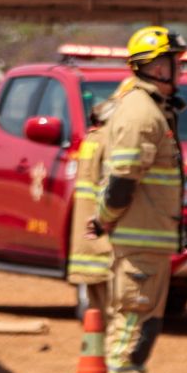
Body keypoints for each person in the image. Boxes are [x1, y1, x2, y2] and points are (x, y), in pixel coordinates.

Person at [93, 24, 186, 373]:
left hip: (150, 236)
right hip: (139, 237)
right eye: (170, 61)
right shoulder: (140, 111)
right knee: (132, 319)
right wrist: (107, 217)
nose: (176, 69)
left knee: (144, 320)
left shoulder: (151, 107)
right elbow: (123, 179)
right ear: (152, 66)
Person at [66, 93, 122, 320]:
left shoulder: (91, 139)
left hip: (86, 238)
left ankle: (96, 351)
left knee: (95, 311)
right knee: (113, 310)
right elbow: (115, 184)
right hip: (102, 233)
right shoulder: (109, 140)